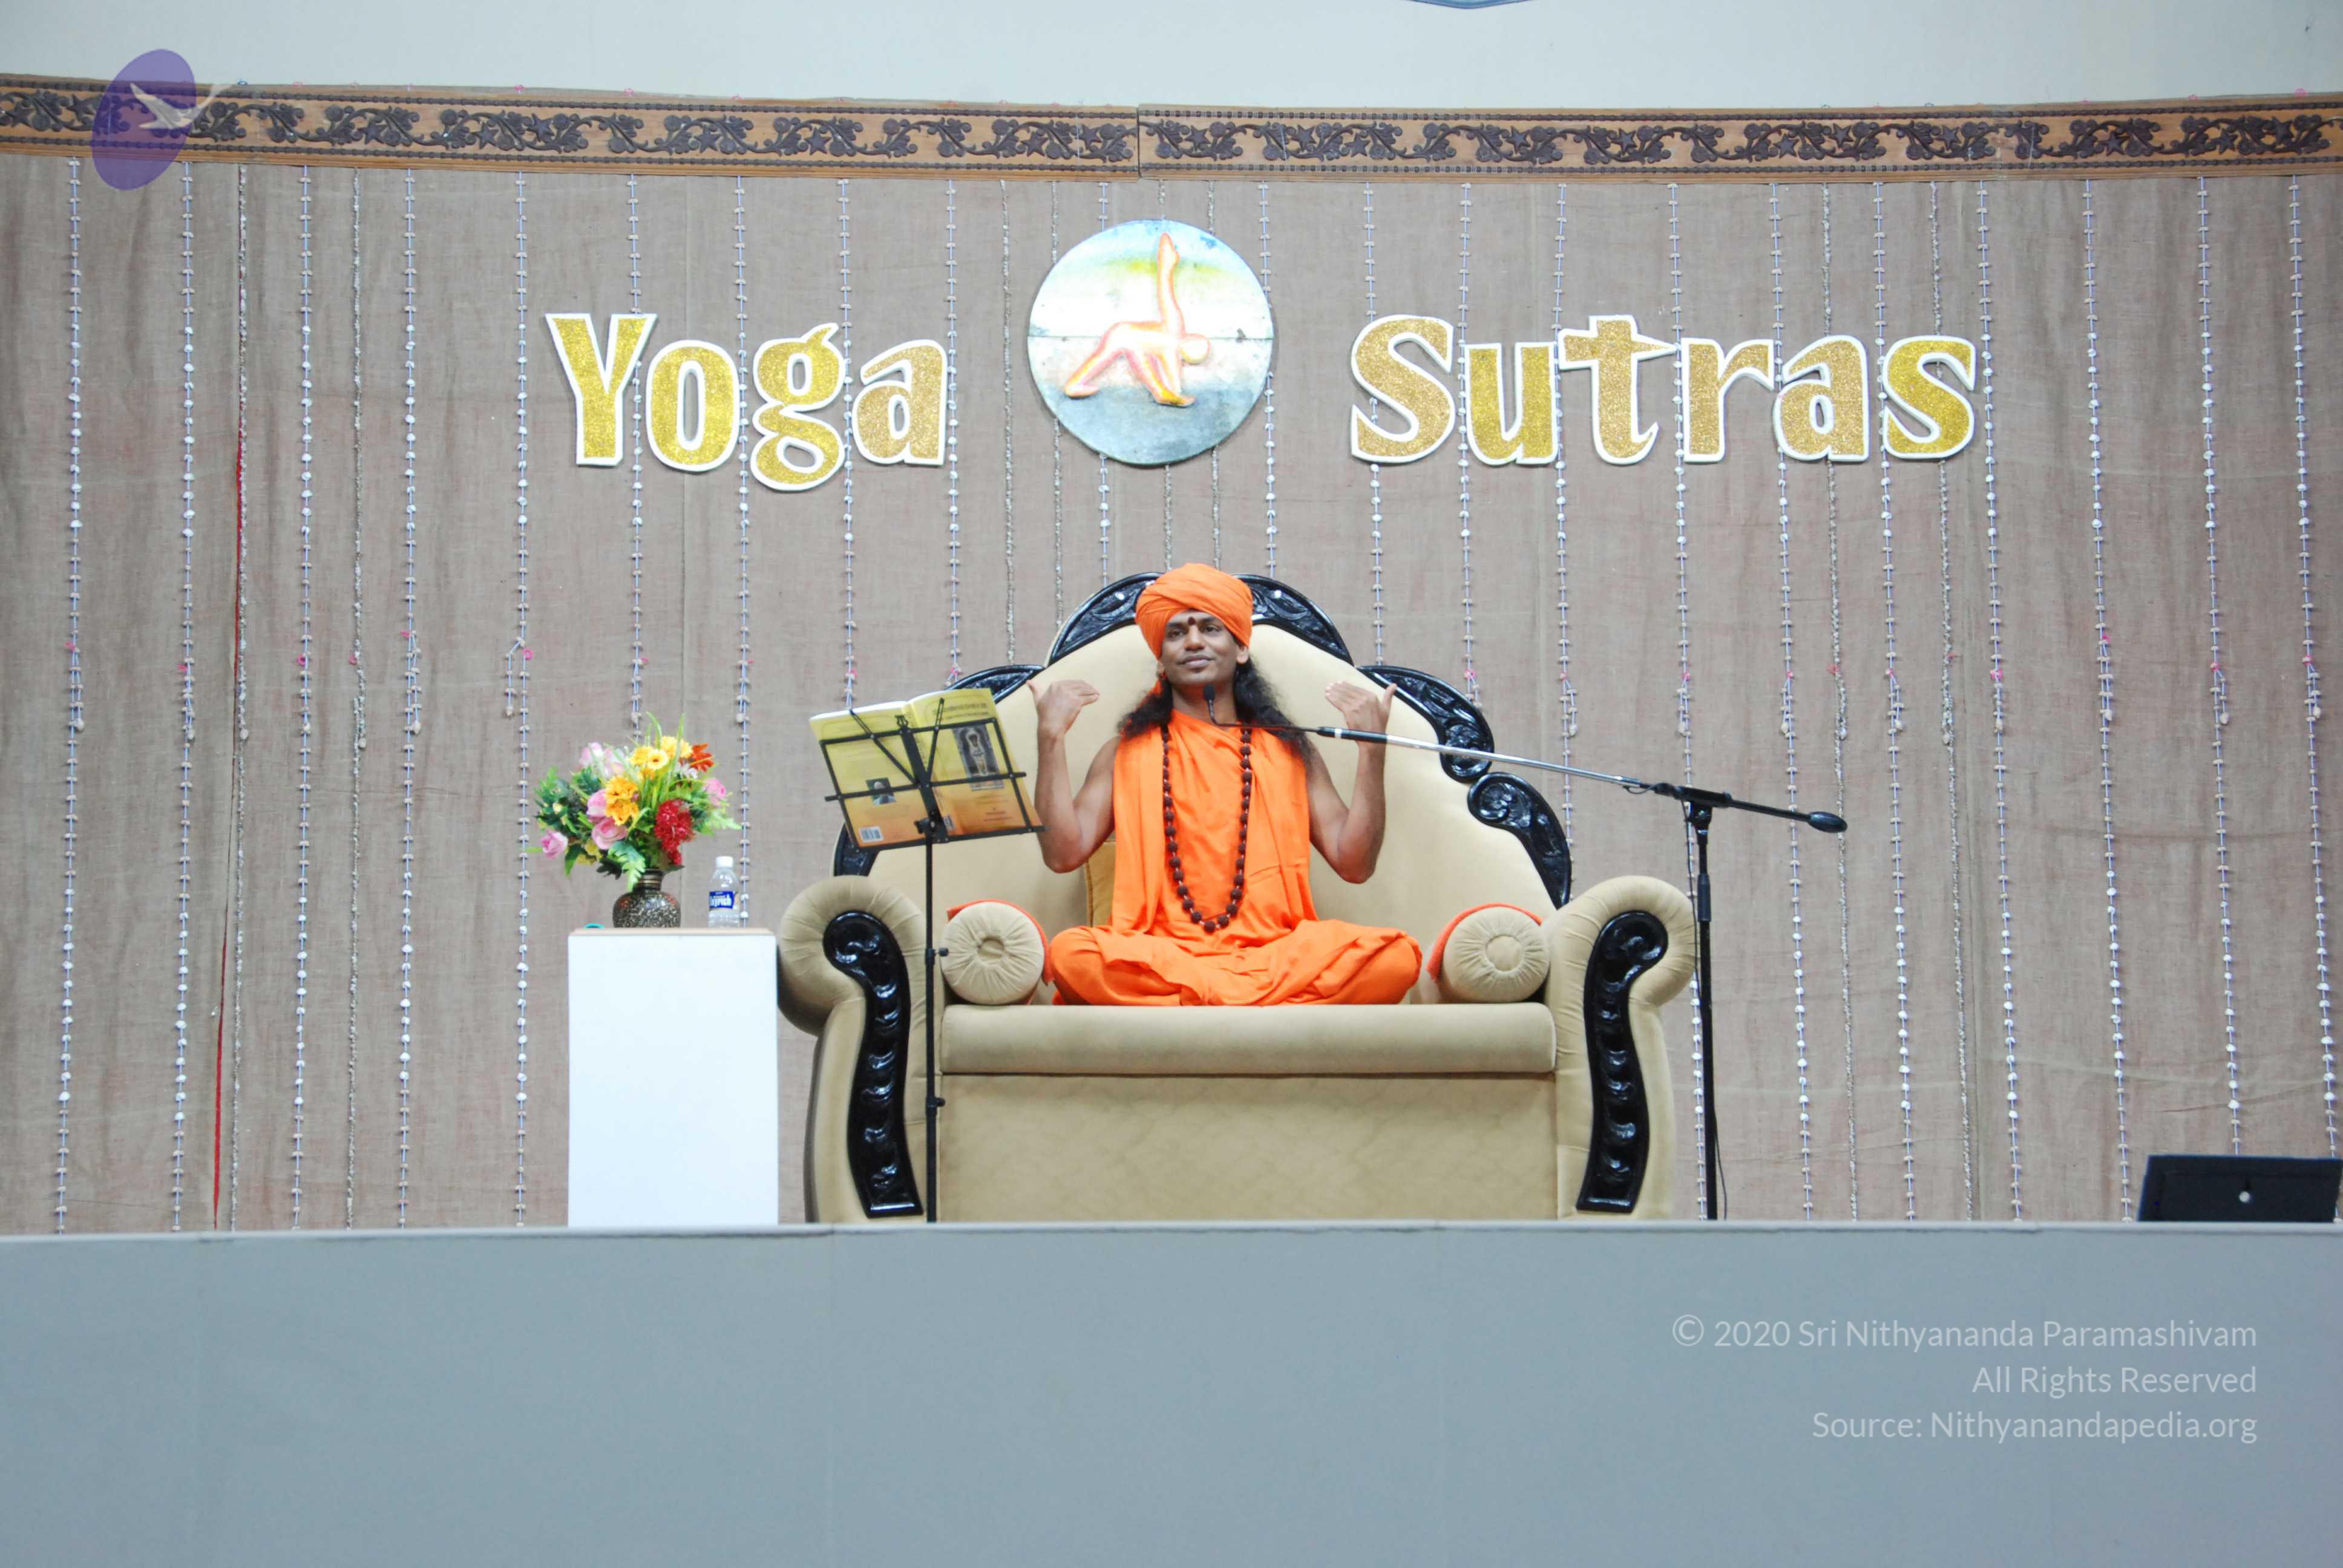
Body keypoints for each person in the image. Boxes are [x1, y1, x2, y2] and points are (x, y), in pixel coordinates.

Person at [1037, 563, 1423, 1005]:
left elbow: (1355, 865)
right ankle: (1252, 1006)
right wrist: (1050, 737)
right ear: (1161, 659)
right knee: (1072, 955)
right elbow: (1063, 854)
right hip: (1166, 955)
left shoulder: (1290, 752)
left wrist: (1372, 750)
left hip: (1275, 954)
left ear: (1240, 649)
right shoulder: (1125, 754)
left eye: (1210, 628)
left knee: (1395, 958)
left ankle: (1206, 1004)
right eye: (1176, 633)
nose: (1193, 642)